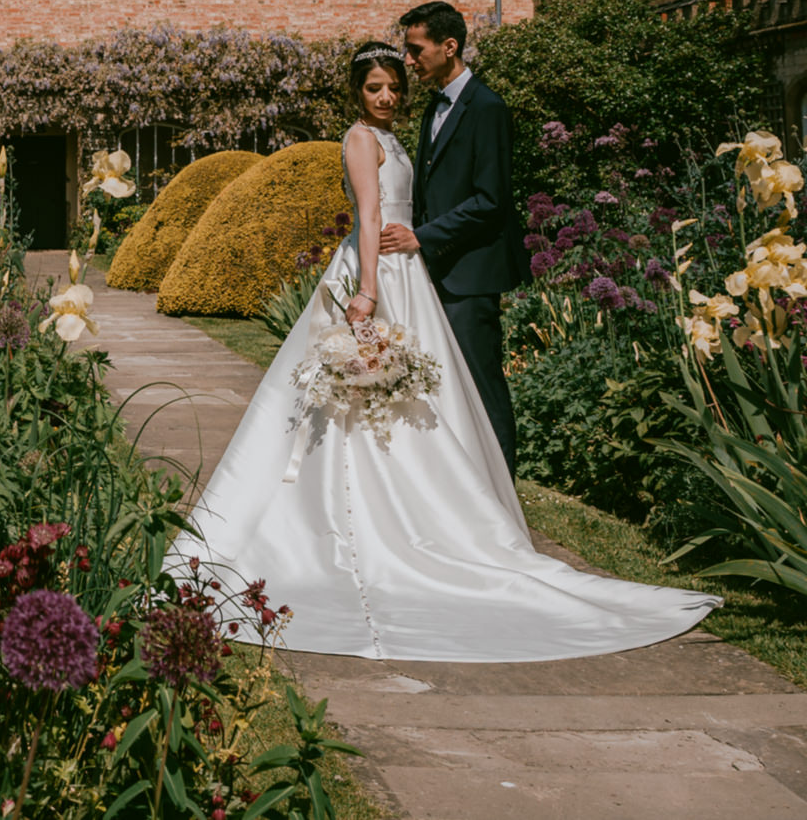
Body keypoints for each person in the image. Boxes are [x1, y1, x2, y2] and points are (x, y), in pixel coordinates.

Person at [163, 41, 717, 661]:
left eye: (394, 86)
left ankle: (432, 514)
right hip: (379, 276)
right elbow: (369, 217)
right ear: (357, 93)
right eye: (375, 88)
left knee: (419, 396)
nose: (387, 96)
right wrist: (367, 293)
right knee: (361, 397)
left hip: (409, 273)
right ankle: (348, 524)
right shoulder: (360, 140)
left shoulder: (395, 137)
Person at [378, 0, 525, 480]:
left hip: (471, 274)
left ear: (449, 46)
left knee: (483, 386)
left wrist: (420, 237)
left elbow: (490, 201)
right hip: (435, 271)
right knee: (445, 386)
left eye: (416, 49)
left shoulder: (487, 108)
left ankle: (502, 488)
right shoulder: (433, 107)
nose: (409, 59)